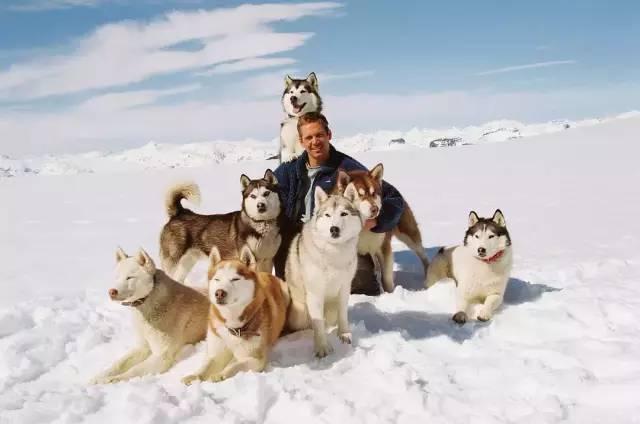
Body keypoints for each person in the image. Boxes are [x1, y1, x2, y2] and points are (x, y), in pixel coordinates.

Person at [273, 111, 405, 295]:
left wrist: (376, 221)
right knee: (291, 287)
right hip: (298, 241)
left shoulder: (348, 168)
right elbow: (265, 196)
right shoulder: (288, 171)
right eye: (309, 137)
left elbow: (395, 199)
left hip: (337, 241)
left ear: (329, 135)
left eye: (319, 135)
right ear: (301, 141)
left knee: (360, 283)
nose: (315, 141)